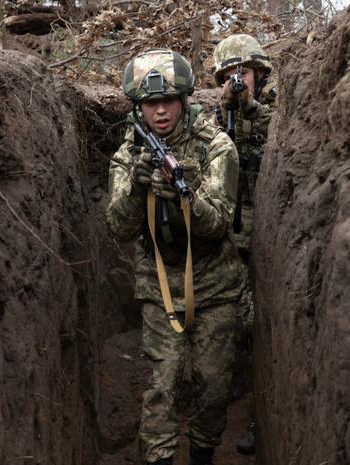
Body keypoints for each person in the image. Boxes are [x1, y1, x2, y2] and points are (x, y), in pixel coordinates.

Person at [106, 48, 245, 465]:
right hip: (160, 279)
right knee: (161, 384)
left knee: (213, 385)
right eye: (150, 103)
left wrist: (185, 199)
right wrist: (136, 186)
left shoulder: (217, 146)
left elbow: (219, 221)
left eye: (168, 101)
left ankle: (202, 454)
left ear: (184, 100)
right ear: (138, 107)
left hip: (214, 281)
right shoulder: (129, 155)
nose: (160, 111)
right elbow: (118, 227)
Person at [211, 33, 278, 456]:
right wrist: (226, 109)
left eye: (246, 72)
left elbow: (286, 132)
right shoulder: (215, 114)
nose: (240, 80)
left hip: (268, 233)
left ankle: (257, 413)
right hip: (225, 235)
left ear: (259, 73)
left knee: (260, 328)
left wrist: (252, 109)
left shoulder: (274, 105)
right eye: (232, 74)